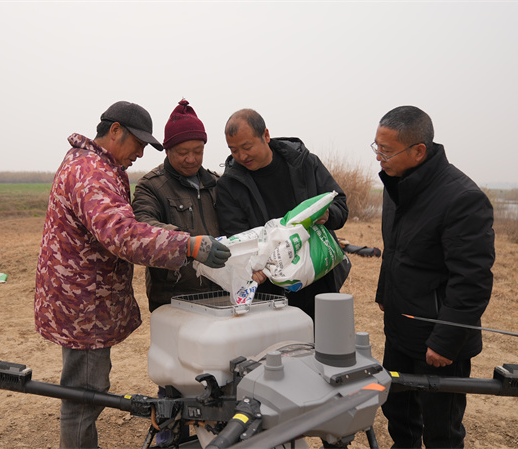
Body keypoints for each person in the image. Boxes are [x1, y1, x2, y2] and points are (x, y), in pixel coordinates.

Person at [33, 100, 230, 449]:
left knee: (86, 390)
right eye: (138, 144)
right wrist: (187, 245)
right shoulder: (92, 173)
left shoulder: (94, 165)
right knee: (85, 395)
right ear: (115, 131)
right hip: (84, 305)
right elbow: (122, 233)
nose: (140, 154)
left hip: (85, 300)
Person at [373, 106, 495, 448]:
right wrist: (385, 293)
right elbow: (395, 250)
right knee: (398, 412)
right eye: (376, 147)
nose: (379, 157)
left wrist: (445, 341)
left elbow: (472, 280)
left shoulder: (462, 198)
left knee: (441, 429)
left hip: (439, 340)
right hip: (400, 326)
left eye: (386, 151)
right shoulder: (396, 185)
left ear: (418, 151)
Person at [216, 108, 351, 320]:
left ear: (266, 135)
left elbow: (340, 206)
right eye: (234, 150)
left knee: (325, 339)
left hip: (319, 282)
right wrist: (252, 266)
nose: (242, 156)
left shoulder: (305, 163)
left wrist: (327, 215)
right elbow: (238, 239)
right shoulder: (229, 186)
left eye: (247, 147)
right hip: (270, 296)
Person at [133, 98, 223, 312]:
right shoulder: (151, 186)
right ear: (167, 150)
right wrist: (188, 244)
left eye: (198, 151)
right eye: (183, 153)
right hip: (174, 300)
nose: (191, 159)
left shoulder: (217, 184)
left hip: (221, 295)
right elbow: (142, 226)